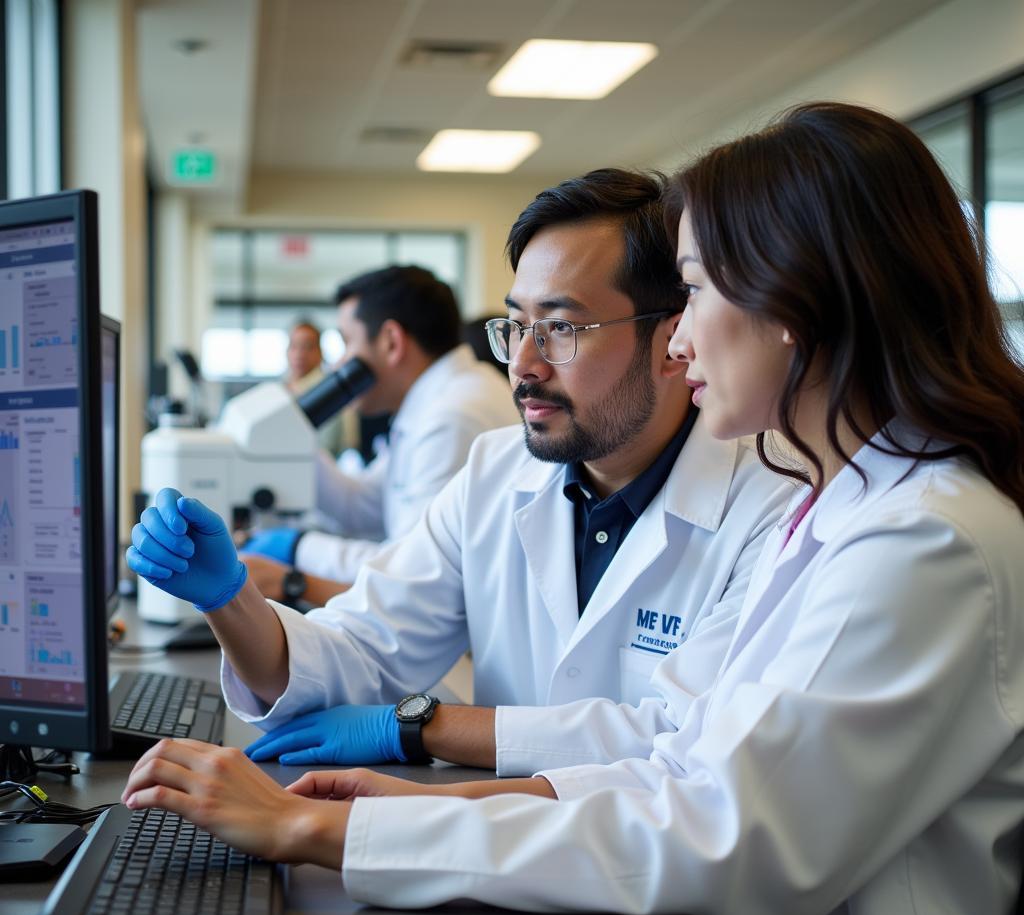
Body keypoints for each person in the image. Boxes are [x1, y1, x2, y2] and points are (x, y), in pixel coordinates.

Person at [124, 105, 1024, 915]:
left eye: (700, 291)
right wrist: (429, 797)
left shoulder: (922, 540)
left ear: (799, 302)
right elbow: (684, 759)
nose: (682, 340)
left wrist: (329, 824)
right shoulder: (847, 505)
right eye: (519, 328)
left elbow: (730, 829)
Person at [126, 168, 792, 772]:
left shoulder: (772, 504)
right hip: (503, 860)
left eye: (561, 329)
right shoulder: (497, 474)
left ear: (674, 342)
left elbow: (684, 746)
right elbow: (363, 650)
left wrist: (428, 727)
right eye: (516, 326)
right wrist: (230, 600)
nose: (523, 365)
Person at [243, 265, 517, 600]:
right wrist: (291, 436)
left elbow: (411, 568)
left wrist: (298, 547)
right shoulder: (432, 403)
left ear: (391, 341)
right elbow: (359, 506)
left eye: (346, 343)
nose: (337, 365)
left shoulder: (452, 415)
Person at [280, 318, 352, 457]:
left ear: (320, 352)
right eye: (294, 346)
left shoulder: (329, 392)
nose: (299, 354)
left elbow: (328, 446)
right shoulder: (278, 389)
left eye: (307, 347)